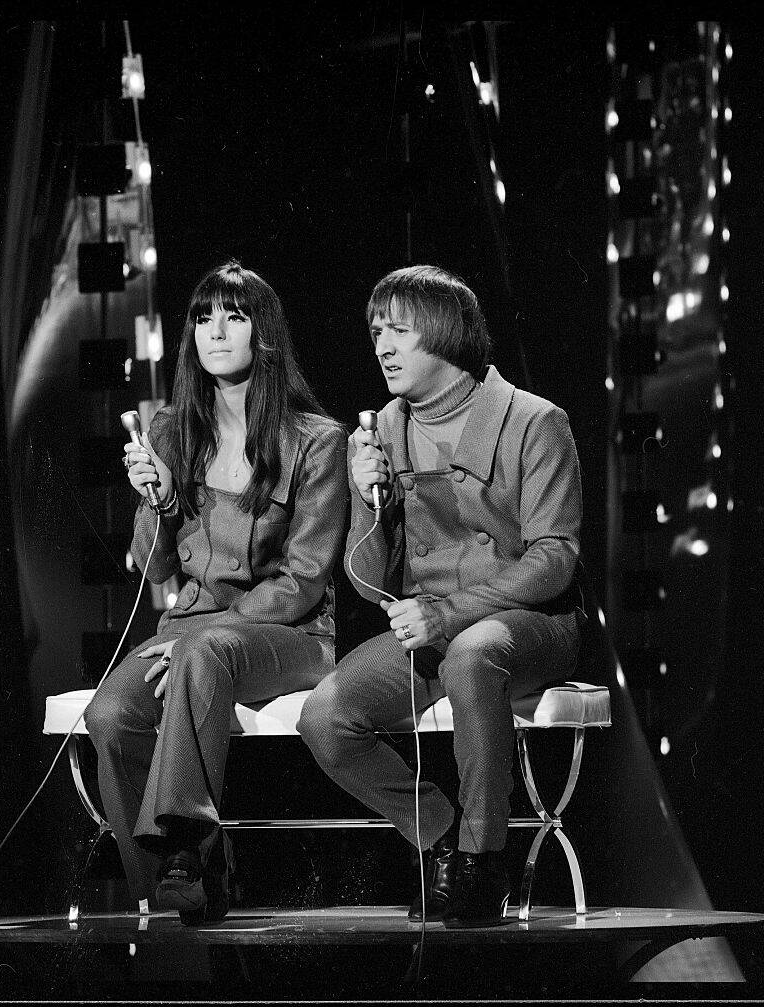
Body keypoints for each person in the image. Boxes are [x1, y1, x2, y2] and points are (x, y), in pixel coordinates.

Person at [299, 265, 582, 927]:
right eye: (377, 332)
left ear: (447, 333)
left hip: (527, 620)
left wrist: (448, 613)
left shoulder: (534, 421)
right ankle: (444, 836)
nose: (382, 347)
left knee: (474, 652)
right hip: (429, 627)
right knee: (326, 718)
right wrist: (362, 496)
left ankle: (484, 859)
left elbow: (554, 559)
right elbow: (369, 578)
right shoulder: (383, 428)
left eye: (399, 331)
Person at [85, 261, 348, 924]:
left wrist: (207, 634)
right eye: (204, 318)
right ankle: (172, 893)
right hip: (191, 629)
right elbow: (155, 570)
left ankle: (187, 851)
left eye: (234, 316)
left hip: (290, 635)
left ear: (265, 333)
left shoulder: (318, 441)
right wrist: (161, 501)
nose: (216, 331)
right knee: (109, 715)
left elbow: (304, 579)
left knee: (205, 652)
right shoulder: (172, 431)